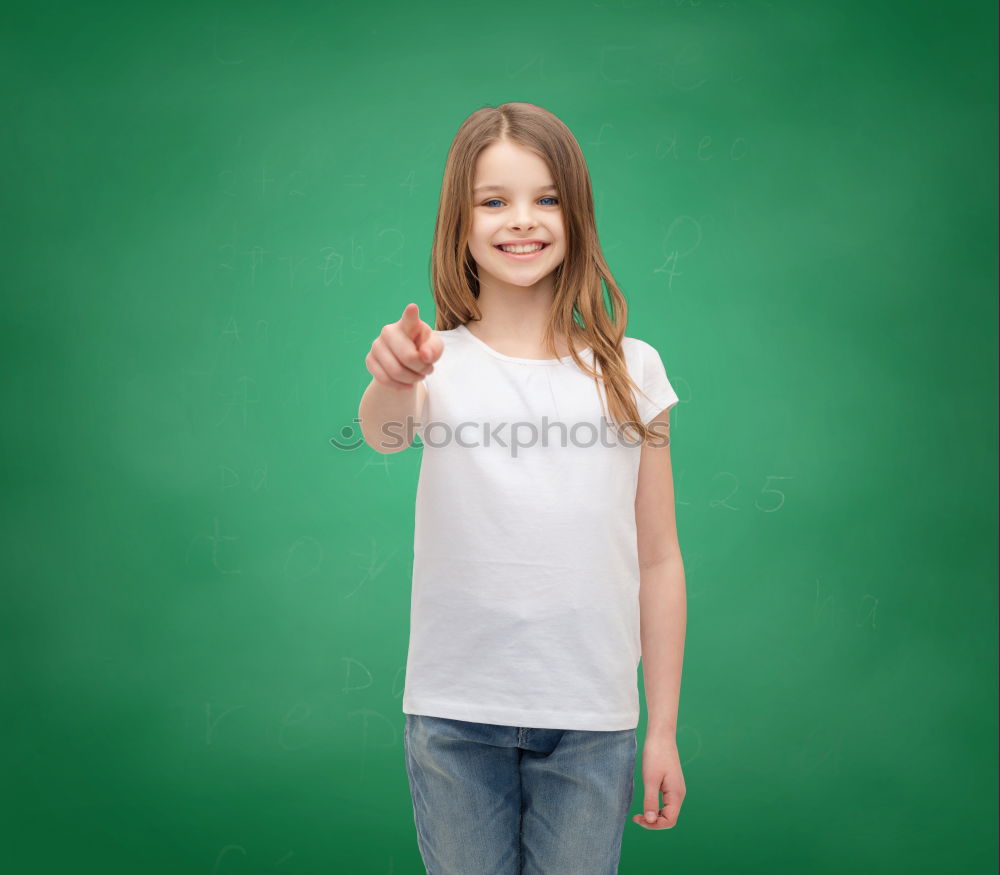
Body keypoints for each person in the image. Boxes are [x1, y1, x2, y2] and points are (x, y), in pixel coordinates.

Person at [358, 102, 687, 874]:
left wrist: (663, 728)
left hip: (592, 720)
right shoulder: (432, 359)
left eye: (545, 198)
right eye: (494, 200)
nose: (522, 221)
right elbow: (384, 430)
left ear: (576, 213)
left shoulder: (631, 371)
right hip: (454, 717)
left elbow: (660, 557)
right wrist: (393, 373)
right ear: (461, 221)